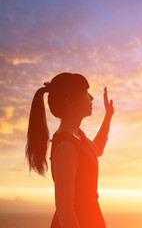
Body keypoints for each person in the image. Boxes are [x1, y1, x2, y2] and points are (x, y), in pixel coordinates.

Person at [25, 72, 114, 228]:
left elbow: (97, 150)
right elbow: (64, 209)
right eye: (86, 93)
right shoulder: (66, 146)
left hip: (90, 217)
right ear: (69, 102)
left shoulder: (78, 136)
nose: (91, 98)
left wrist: (108, 117)